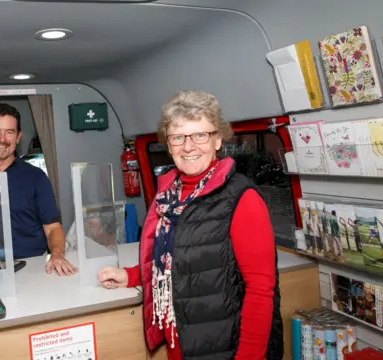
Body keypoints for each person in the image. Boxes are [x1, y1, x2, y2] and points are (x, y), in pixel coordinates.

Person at [98, 90, 283, 359]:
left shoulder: (242, 198)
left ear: (218, 139)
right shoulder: (169, 195)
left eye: (200, 135)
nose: (188, 146)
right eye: (178, 137)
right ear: (168, 144)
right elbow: (177, 260)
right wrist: (131, 275)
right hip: (183, 343)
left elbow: (259, 291)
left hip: (224, 347)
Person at [0, 103, 77, 276]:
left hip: (31, 267)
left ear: (18, 137)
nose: (2, 139)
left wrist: (57, 255)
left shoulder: (35, 177)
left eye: (9, 132)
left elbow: (53, 228)